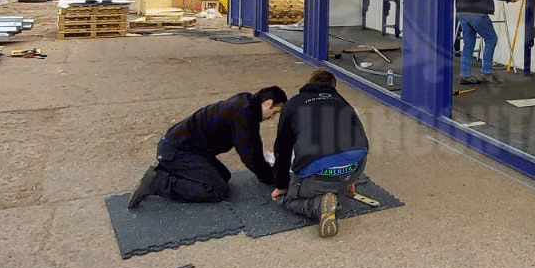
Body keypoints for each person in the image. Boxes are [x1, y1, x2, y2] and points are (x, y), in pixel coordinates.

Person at [127, 85, 287, 208]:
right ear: (268, 103)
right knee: (216, 190)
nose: (273, 118)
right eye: (275, 112)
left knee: (223, 176)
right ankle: (158, 183)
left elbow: (253, 149)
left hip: (187, 148)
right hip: (177, 151)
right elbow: (251, 156)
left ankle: (171, 169)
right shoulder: (244, 116)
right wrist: (275, 180)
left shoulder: (245, 104)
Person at [270, 69, 370, 238]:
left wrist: (281, 185)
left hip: (318, 170)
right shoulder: (342, 102)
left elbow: (283, 148)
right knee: (334, 176)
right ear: (332, 87)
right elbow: (361, 139)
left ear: (309, 83)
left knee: (288, 200)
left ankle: (319, 205)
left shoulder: (294, 104)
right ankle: (333, 192)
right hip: (354, 165)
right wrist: (351, 179)